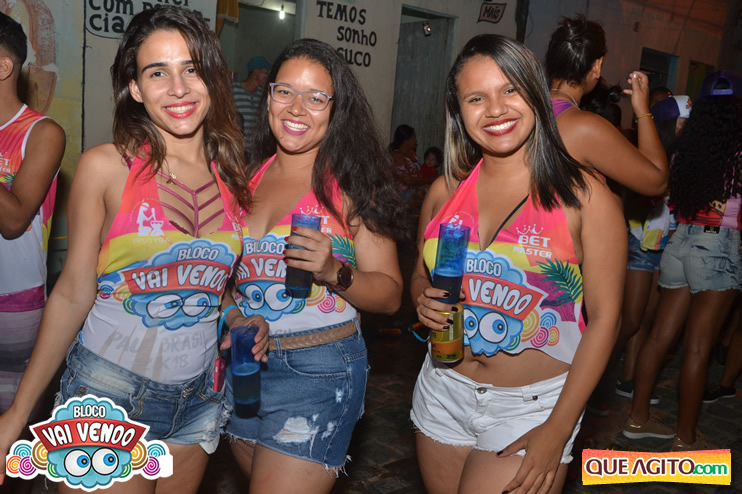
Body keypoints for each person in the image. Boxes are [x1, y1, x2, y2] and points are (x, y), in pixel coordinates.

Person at [0, 6, 269, 493]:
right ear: (136, 88)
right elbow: (72, 293)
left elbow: (205, 278)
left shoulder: (234, 178)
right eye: (157, 73)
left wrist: (235, 316)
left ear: (212, 77)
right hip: (108, 396)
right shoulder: (106, 167)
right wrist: (16, 415)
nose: (178, 88)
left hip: (198, 399)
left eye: (191, 69)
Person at [410, 34, 625, 494]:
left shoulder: (586, 198)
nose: (495, 109)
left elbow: (606, 320)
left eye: (510, 89)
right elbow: (420, 277)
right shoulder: (444, 193)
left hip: (534, 408)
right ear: (458, 111)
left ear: (535, 93)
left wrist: (557, 428)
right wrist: (422, 302)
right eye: (476, 98)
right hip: (442, 390)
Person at [222, 39, 404, 493]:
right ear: (268, 97)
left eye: (316, 97)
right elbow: (219, 281)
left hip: (319, 371)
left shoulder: (353, 185)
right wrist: (235, 316)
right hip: (246, 367)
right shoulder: (243, 181)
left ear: (335, 109)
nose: (297, 108)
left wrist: (333, 271)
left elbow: (390, 295)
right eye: (285, 91)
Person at [623, 71, 742, 451]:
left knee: (659, 336)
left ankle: (638, 417)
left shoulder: (682, 149)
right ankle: (685, 437)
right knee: (698, 348)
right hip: (718, 246)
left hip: (680, 241)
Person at [0, 11, 65, 415]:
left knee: (12, 421)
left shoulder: (42, 132)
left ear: (3, 67)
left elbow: (14, 220)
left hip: (13, 300)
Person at [615, 95, 690, 402]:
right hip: (639, 241)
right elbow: (630, 198)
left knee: (647, 319)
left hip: (667, 244)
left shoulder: (688, 158)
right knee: (630, 320)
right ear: (667, 125)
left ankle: (627, 380)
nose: (686, 129)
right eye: (682, 122)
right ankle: (597, 376)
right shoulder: (646, 156)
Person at [545, 15, 668, 197]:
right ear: (597, 65)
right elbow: (657, 182)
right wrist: (643, 110)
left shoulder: (526, 108)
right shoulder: (585, 127)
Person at [233, 55, 271, 148]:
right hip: (235, 148)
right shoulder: (233, 89)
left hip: (253, 150)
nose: (267, 77)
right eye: (265, 72)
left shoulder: (262, 95)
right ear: (256, 72)